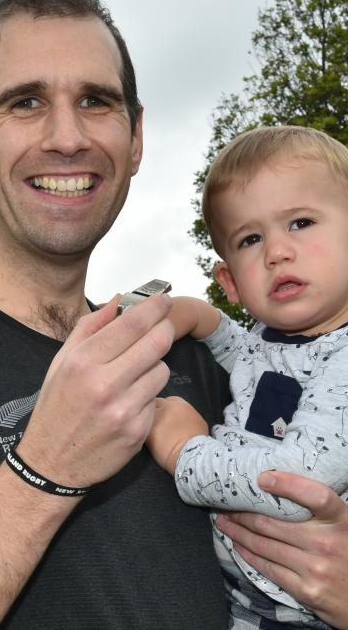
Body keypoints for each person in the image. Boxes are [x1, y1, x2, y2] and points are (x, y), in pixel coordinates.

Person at [0, 0, 346, 630]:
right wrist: (43, 467)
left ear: (135, 136)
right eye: (25, 102)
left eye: (96, 101)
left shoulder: (198, 356)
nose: (67, 136)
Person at [147, 125, 348, 629]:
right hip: (253, 598)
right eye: (251, 238)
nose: (276, 251)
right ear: (232, 281)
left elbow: (300, 483)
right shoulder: (281, 341)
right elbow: (262, 373)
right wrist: (201, 319)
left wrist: (183, 453)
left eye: (300, 222)